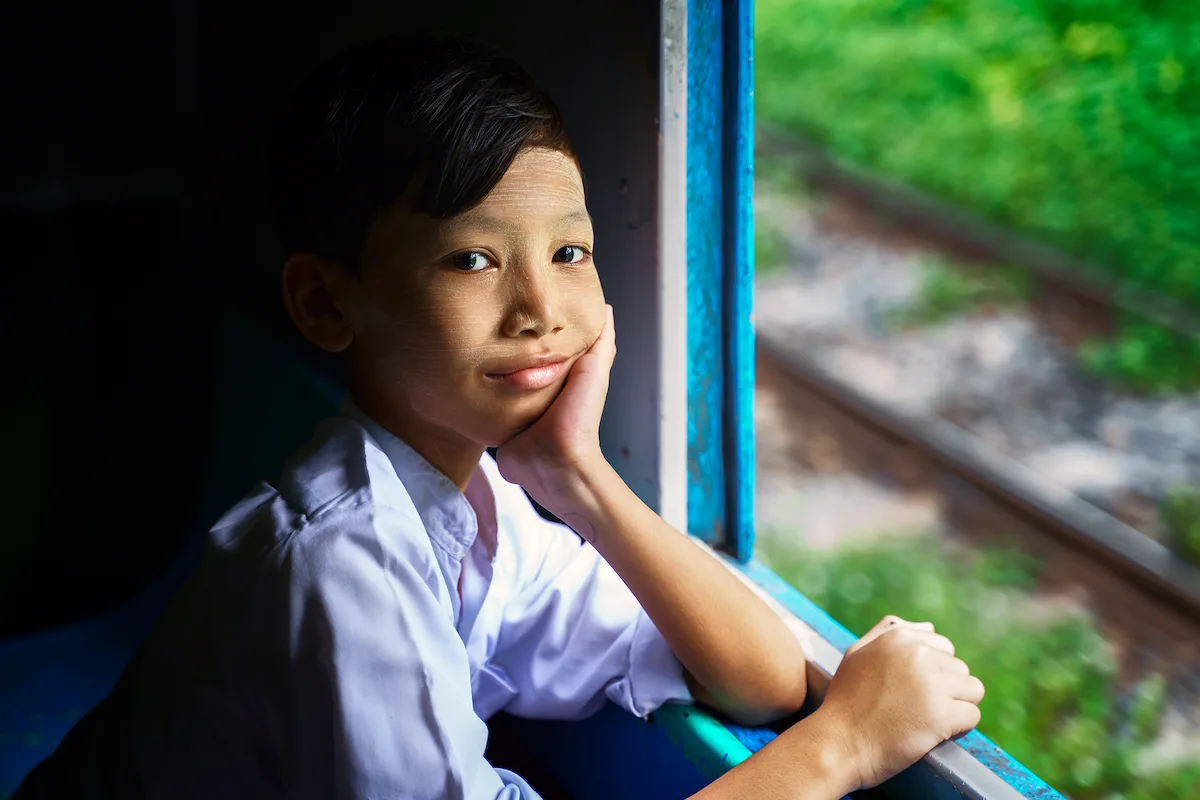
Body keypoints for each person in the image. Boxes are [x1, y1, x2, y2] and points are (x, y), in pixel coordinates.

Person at [15, 34, 984, 800]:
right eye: (473, 259)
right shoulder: (342, 559)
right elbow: (801, 714)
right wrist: (846, 743)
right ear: (326, 302)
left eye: (570, 253)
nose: (541, 310)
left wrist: (582, 477)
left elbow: (762, 680)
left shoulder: (476, 502)